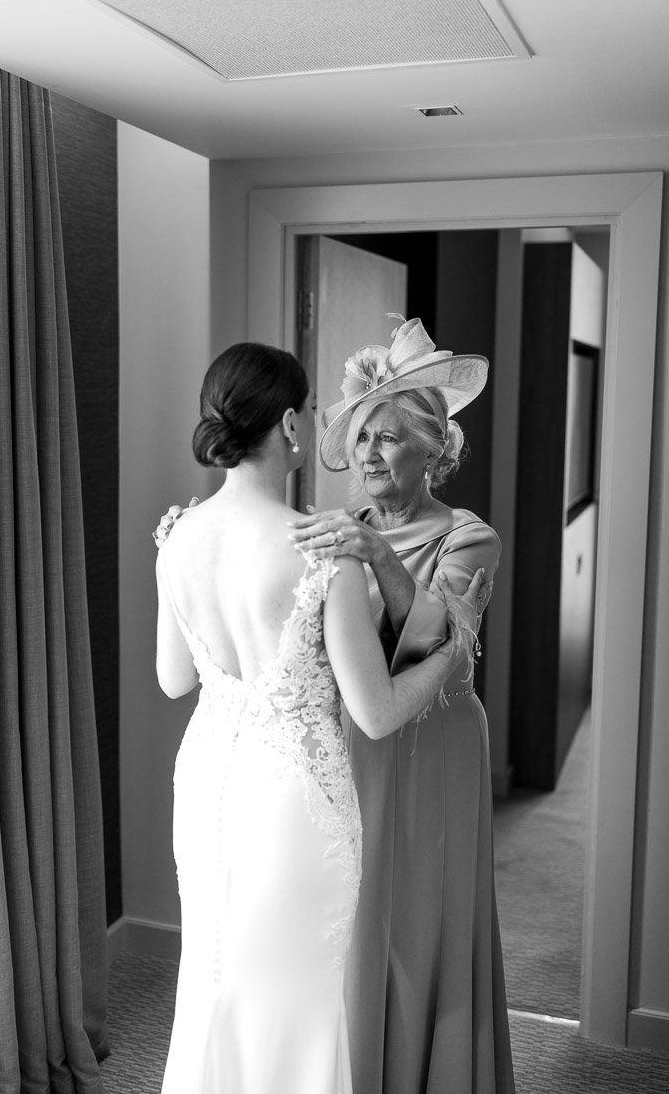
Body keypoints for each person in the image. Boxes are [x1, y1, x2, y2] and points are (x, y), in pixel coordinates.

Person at [154, 340, 484, 1094]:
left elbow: (175, 679)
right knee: (295, 998)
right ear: (294, 427)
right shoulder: (321, 552)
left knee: (213, 981)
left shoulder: (177, 537)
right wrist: (448, 655)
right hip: (293, 800)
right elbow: (374, 713)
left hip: (207, 785)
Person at [288, 316, 515, 1094]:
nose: (371, 453)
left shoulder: (469, 538)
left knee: (421, 924)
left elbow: (440, 655)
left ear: (434, 449)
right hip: (352, 750)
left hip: (435, 751)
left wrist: (381, 555)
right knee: (353, 929)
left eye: (390, 438)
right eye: (362, 438)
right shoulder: (336, 532)